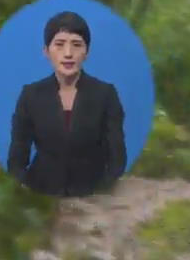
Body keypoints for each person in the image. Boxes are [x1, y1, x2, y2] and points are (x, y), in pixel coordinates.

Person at [7, 11, 127, 197]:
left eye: (77, 45)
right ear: (46, 51)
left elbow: (117, 158)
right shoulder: (30, 95)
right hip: (41, 194)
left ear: (86, 52)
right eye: (60, 45)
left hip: (93, 198)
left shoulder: (105, 95)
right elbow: (16, 158)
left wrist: (101, 196)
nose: (68, 53)